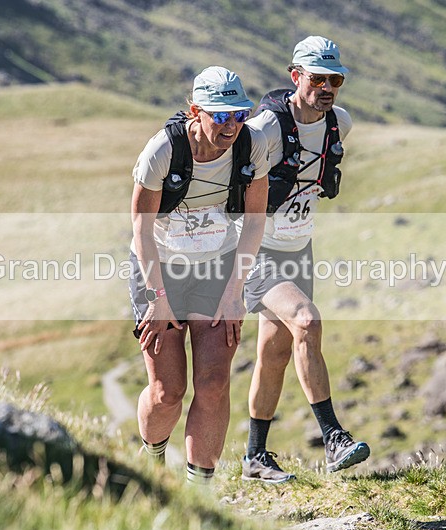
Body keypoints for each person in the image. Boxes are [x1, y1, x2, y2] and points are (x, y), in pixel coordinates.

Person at [129, 66, 269, 484]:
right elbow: (140, 229)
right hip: (160, 268)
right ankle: (152, 459)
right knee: (167, 392)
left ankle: (199, 497)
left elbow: (256, 221)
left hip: (218, 267)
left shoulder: (252, 144)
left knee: (212, 385)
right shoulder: (162, 151)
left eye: (239, 114)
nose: (231, 125)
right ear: (195, 111)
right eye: (220, 115)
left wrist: (235, 292)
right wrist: (157, 298)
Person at [240, 36, 370, 483]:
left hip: (299, 250)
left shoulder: (341, 123)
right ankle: (333, 438)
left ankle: (255, 457)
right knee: (308, 321)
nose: (328, 87)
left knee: (273, 353)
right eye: (319, 78)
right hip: (255, 251)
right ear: (295, 76)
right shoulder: (264, 130)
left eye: (336, 79)